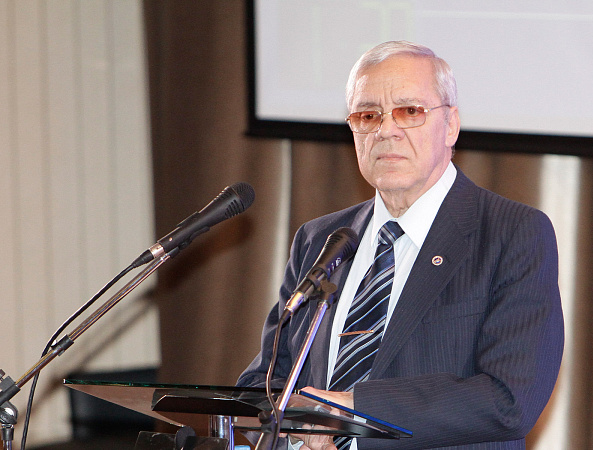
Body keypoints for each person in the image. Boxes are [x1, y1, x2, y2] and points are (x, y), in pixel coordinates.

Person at [237, 41, 564, 450]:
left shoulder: (512, 233)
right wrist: (293, 431)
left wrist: (355, 411)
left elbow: (510, 399)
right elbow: (266, 381)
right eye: (368, 115)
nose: (386, 130)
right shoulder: (321, 240)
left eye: (409, 111)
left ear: (450, 125)